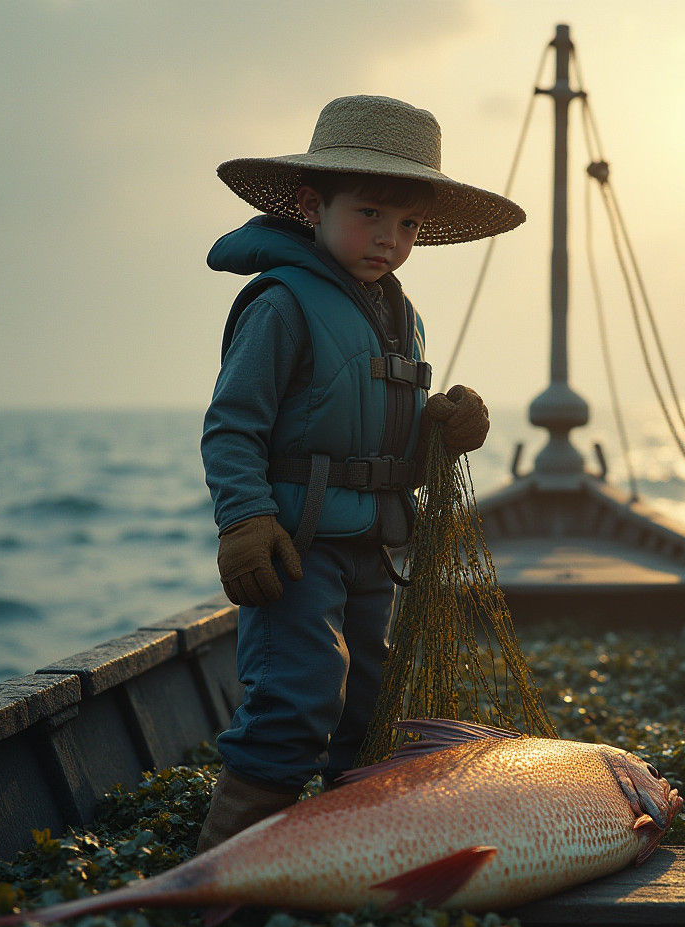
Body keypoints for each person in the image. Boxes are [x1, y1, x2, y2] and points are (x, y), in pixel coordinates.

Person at [197, 95, 525, 853]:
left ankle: (350, 854)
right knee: (296, 696)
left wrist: (443, 425)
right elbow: (232, 425)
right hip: (296, 546)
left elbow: (381, 424)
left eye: (407, 225)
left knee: (369, 702)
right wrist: (245, 520)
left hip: (374, 546)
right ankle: (226, 872)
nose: (389, 239)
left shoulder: (397, 312)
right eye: (370, 213)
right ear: (312, 204)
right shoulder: (281, 304)